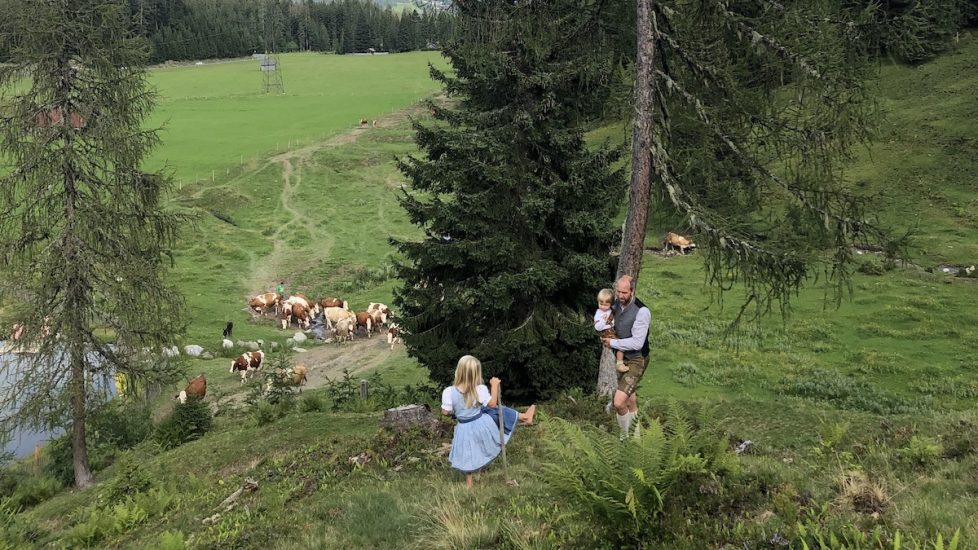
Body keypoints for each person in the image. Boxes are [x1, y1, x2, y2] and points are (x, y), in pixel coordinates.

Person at [441, 355, 536, 488]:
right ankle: (525, 417)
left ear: (459, 371)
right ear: (476, 373)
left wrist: (457, 413)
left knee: (468, 453)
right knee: (497, 410)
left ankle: (469, 485)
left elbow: (445, 411)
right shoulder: (479, 389)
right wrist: (494, 385)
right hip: (480, 424)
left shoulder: (449, 392)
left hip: (463, 427)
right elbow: (491, 403)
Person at [600, 275, 651, 439]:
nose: (620, 296)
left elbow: (637, 343)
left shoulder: (642, 311)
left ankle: (624, 437)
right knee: (630, 401)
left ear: (632, 291)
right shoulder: (616, 304)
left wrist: (613, 343)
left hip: (637, 359)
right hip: (621, 356)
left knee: (619, 402)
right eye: (618, 291)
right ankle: (635, 440)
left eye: (624, 292)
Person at [594, 288, 628, 373]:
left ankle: (622, 360)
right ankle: (620, 363)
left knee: (622, 342)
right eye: (601, 304)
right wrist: (604, 321)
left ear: (610, 304)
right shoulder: (599, 313)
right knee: (621, 344)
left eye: (606, 305)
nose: (603, 307)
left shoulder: (611, 311)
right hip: (606, 333)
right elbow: (597, 327)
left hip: (612, 331)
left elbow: (613, 322)